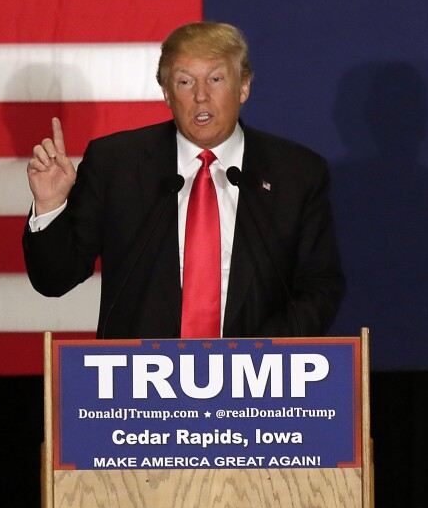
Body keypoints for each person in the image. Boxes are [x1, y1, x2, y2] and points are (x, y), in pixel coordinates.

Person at [23, 22, 344, 339]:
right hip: (140, 378)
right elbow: (55, 280)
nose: (201, 96)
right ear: (166, 93)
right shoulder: (116, 163)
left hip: (256, 376)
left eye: (216, 79)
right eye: (185, 82)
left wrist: (256, 354)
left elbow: (320, 287)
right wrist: (51, 205)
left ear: (244, 86)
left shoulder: (296, 172)